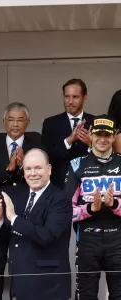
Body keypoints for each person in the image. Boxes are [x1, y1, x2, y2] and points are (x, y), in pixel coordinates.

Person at [0, 102, 45, 300]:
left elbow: (43, 179)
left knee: (25, 267)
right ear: (4, 122)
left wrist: (24, 166)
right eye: (11, 119)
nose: (15, 124)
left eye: (19, 120)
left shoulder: (37, 146)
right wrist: (8, 169)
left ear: (27, 122)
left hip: (26, 216)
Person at [0, 148, 72, 300]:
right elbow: (8, 241)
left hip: (49, 288)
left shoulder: (60, 199)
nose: (32, 173)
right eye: (28, 169)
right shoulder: (18, 197)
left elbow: (46, 235)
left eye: (38, 168)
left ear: (49, 170)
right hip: (20, 287)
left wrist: (13, 218)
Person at [64, 114, 121, 300]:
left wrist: (114, 204)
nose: (103, 139)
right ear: (91, 135)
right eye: (98, 134)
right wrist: (90, 209)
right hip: (88, 239)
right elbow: (65, 212)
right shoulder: (76, 165)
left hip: (118, 240)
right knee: (86, 295)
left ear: (114, 136)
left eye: (107, 135)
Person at [41, 78, 95, 189]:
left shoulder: (95, 122)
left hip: (89, 185)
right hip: (59, 187)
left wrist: (91, 144)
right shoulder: (50, 123)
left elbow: (107, 156)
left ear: (85, 98)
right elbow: (45, 157)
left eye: (75, 97)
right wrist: (68, 141)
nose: (70, 102)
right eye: (67, 96)